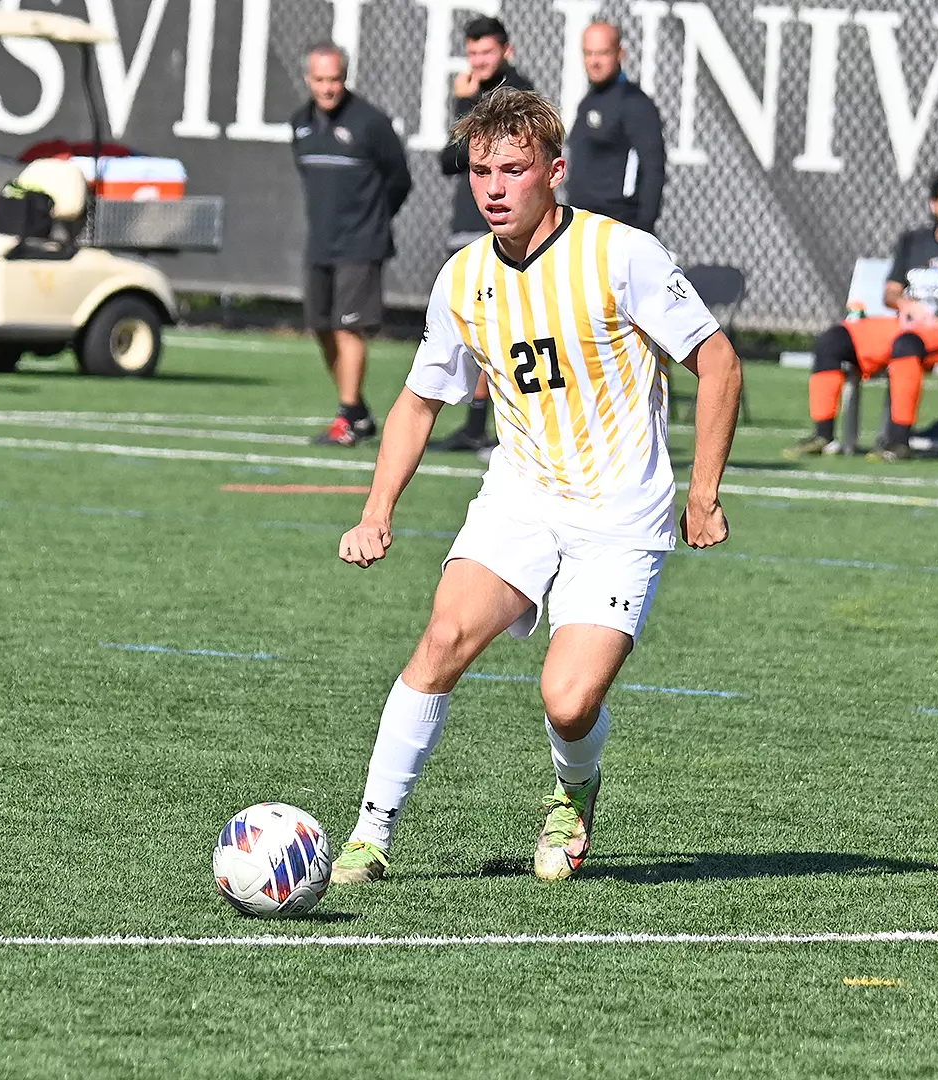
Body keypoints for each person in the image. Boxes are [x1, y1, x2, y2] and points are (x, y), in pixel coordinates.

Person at [327, 89, 741, 885]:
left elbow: (719, 363)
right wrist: (377, 511)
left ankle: (574, 789)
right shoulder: (463, 278)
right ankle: (369, 836)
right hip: (519, 501)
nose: (493, 188)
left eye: (513, 170)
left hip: (619, 517)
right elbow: (419, 401)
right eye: (481, 171)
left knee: (568, 701)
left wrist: (703, 493)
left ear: (554, 172)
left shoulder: (621, 254)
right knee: (442, 641)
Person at [784, 168, 938, 461]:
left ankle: (897, 441)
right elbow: (891, 293)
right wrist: (905, 304)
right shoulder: (913, 241)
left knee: (907, 345)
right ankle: (822, 435)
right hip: (905, 326)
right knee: (834, 339)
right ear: (934, 204)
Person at [290, 42, 412, 448]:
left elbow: (400, 179)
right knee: (322, 328)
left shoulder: (371, 122)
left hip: (361, 244)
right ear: (308, 79)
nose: (328, 88)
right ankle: (356, 412)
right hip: (321, 244)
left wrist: (373, 219)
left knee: (348, 328)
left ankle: (345, 420)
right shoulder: (300, 124)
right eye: (320, 80)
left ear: (346, 77)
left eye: (335, 79)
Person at [430, 17, 533, 454]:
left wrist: (463, 104)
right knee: (472, 325)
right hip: (469, 219)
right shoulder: (475, 94)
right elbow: (449, 160)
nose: (479, 61)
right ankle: (475, 425)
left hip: (504, 224)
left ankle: (499, 426)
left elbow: (462, 155)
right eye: (472, 53)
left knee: (504, 327)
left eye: (487, 52)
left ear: (506, 51)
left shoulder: (518, 97)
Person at [566, 21, 666, 234]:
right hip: (581, 222)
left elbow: (653, 169)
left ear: (620, 53)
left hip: (616, 225)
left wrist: (642, 230)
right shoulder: (589, 100)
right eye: (588, 53)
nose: (594, 61)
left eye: (602, 53)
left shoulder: (634, 104)